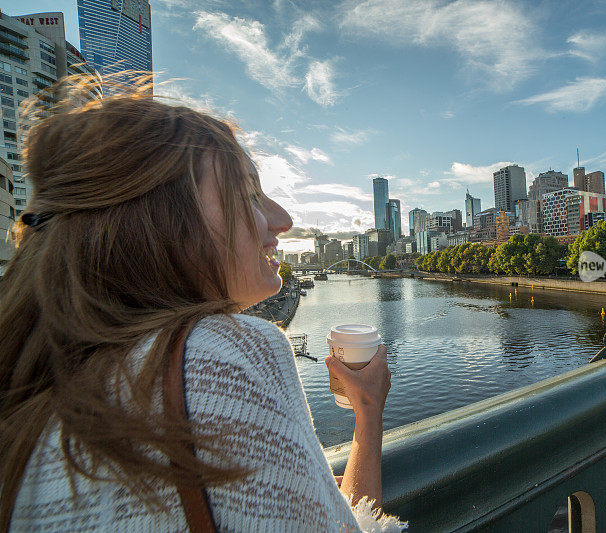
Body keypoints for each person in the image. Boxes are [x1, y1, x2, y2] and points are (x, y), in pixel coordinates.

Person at [0, 80, 405, 531]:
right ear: (164, 221)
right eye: (249, 193)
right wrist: (369, 413)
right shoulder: (224, 356)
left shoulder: (42, 399)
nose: (283, 221)